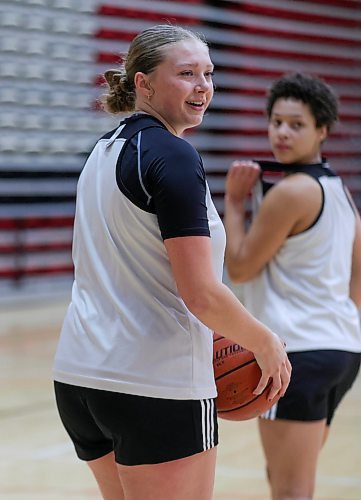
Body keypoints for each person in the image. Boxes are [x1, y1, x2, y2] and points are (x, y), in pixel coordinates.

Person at [53, 24, 291, 500]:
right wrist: (266, 343)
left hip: (80, 377)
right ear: (143, 83)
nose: (203, 86)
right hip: (156, 382)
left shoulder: (99, 153)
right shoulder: (174, 157)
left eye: (208, 73)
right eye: (186, 73)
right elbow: (200, 293)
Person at [224, 72, 361, 499]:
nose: (282, 132)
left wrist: (232, 201)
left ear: (322, 130)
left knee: (289, 492)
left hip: (297, 355)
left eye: (296, 124)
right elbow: (358, 273)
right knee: (290, 483)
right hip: (342, 350)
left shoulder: (291, 193)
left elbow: (241, 269)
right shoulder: (340, 191)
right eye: (276, 121)